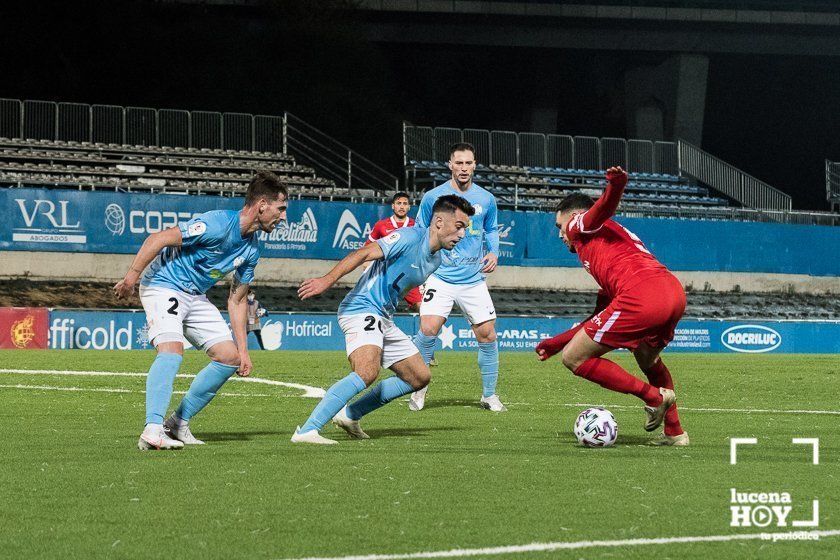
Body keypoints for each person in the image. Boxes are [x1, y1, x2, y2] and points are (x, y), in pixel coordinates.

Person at [114, 171, 288, 450]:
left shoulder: (252, 250)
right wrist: (131, 279)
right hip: (164, 285)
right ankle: (152, 429)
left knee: (228, 358)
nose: (283, 218)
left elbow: (238, 299)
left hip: (195, 295)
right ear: (262, 205)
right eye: (281, 209)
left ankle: (177, 423)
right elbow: (157, 239)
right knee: (171, 350)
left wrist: (243, 350)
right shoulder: (217, 223)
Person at [291, 195, 474, 445]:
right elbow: (364, 253)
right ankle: (306, 431)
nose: (462, 234)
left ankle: (350, 415)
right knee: (367, 371)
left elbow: (401, 282)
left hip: (383, 316)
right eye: (460, 226)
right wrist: (326, 280)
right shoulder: (409, 237)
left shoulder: (436, 259)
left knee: (420, 377)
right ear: (439, 222)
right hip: (361, 308)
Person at [535, 166, 688, 446]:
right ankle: (675, 432)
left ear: (573, 217)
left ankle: (655, 398)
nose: (561, 235)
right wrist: (555, 343)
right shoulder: (609, 252)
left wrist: (617, 184)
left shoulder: (579, 225)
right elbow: (596, 319)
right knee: (648, 359)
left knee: (574, 359)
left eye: (560, 226)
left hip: (641, 295)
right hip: (672, 292)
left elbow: (603, 208)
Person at [409, 142, 504, 412]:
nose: (463, 168)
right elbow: (419, 230)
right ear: (450, 165)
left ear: (475, 165)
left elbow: (492, 229)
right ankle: (418, 390)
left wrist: (494, 253)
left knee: (487, 335)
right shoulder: (433, 197)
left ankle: (489, 395)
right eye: (458, 163)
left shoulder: (486, 199)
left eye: (468, 163)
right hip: (439, 276)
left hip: (473, 279)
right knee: (427, 330)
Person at [365, 191, 423, 312]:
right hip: (386, 275)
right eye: (398, 203)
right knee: (378, 309)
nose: (401, 206)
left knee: (421, 308)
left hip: (409, 275)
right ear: (393, 206)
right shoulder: (381, 225)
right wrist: (366, 271)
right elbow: (367, 249)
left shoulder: (416, 225)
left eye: (405, 203)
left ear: (409, 206)